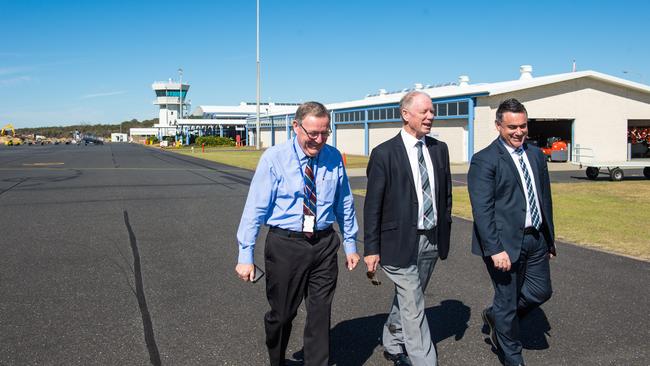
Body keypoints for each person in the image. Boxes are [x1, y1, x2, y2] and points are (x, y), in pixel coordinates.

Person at [235, 101, 360, 366]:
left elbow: (344, 202)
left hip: (324, 243)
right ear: (296, 127)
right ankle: (277, 360)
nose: (319, 139)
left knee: (320, 313)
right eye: (312, 133)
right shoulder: (274, 158)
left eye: (325, 133)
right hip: (286, 245)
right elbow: (255, 208)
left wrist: (350, 244)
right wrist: (245, 254)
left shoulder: (333, 156)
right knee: (282, 314)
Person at [364, 91, 452, 366]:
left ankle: (392, 342)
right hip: (397, 241)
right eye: (424, 111)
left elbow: (445, 194)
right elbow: (372, 206)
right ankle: (423, 361)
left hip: (431, 238)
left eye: (432, 111)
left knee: (410, 297)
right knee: (414, 304)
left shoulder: (439, 149)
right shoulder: (384, 153)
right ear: (405, 114)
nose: (430, 116)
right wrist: (371, 249)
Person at [467, 98, 555, 366]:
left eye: (523, 126)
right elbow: (482, 210)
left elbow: (544, 198)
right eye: (512, 127)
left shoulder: (536, 155)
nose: (519, 132)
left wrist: (549, 239)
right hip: (503, 244)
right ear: (498, 126)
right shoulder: (485, 160)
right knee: (508, 301)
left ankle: (496, 316)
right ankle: (512, 356)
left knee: (541, 292)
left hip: (536, 238)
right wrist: (495, 249)